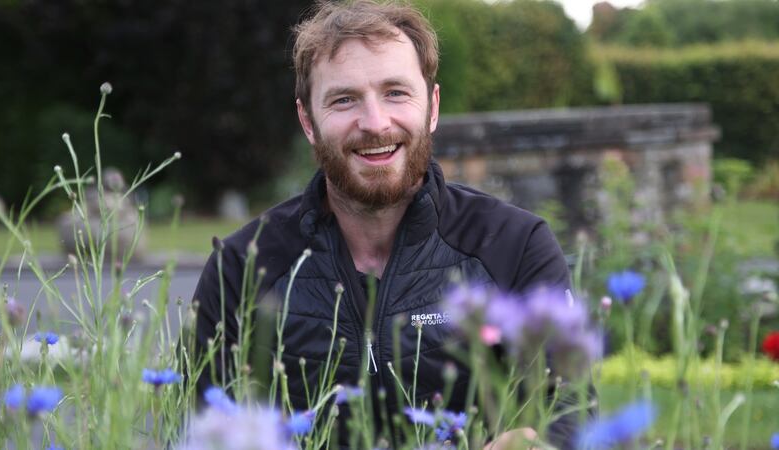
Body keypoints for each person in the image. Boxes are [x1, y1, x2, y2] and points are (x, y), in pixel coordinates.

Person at [190, 1, 589, 448]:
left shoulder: (515, 247)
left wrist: (536, 439)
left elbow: (572, 410)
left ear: (432, 107)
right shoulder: (242, 269)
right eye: (344, 99)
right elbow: (200, 427)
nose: (376, 123)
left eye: (396, 93)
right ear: (308, 121)